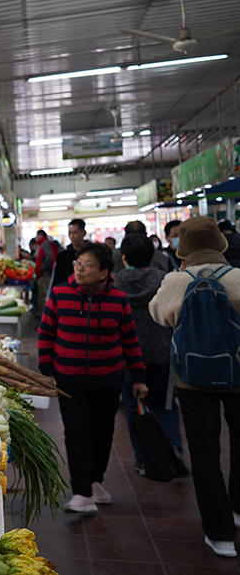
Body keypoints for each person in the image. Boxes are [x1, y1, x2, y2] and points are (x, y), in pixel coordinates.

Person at [150, 217, 240, 558]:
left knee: (205, 455)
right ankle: (238, 509)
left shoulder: (177, 280)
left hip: (192, 379)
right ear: (220, 244)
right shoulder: (238, 277)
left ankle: (220, 535)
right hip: (238, 375)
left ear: (182, 248)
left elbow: (158, 314)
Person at [38, 241, 147, 514]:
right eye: (78, 263)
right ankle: (81, 492)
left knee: (102, 433)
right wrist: (46, 369)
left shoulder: (118, 299)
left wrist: (138, 376)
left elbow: (130, 340)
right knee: (76, 432)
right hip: (69, 378)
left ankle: (95, 480)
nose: (80, 269)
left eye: (87, 265)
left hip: (107, 379)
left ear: (104, 272)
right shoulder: (60, 294)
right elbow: (46, 332)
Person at [113, 234, 184, 476]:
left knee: (135, 407)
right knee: (165, 403)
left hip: (128, 356)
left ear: (124, 257)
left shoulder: (115, 283)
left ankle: (144, 458)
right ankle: (172, 445)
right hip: (161, 351)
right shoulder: (163, 280)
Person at [51, 219, 86, 287]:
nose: (72, 236)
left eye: (75, 233)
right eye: (70, 233)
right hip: (66, 290)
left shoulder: (91, 254)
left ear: (84, 233)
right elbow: (57, 279)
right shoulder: (62, 256)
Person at [34, 230, 57, 309]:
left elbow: (50, 257)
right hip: (43, 274)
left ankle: (45, 315)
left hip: (44, 275)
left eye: (37, 236)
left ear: (41, 236)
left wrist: (43, 268)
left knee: (43, 296)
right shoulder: (43, 244)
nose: (36, 238)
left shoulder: (45, 244)